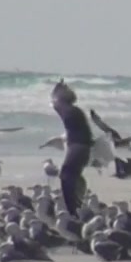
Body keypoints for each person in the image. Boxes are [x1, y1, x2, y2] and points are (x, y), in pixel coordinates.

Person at [51, 78, 95, 215]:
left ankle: (73, 210)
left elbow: (55, 103)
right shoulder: (74, 110)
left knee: (67, 175)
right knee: (73, 175)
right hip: (81, 148)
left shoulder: (70, 111)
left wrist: (58, 89)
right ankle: (77, 205)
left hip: (78, 148)